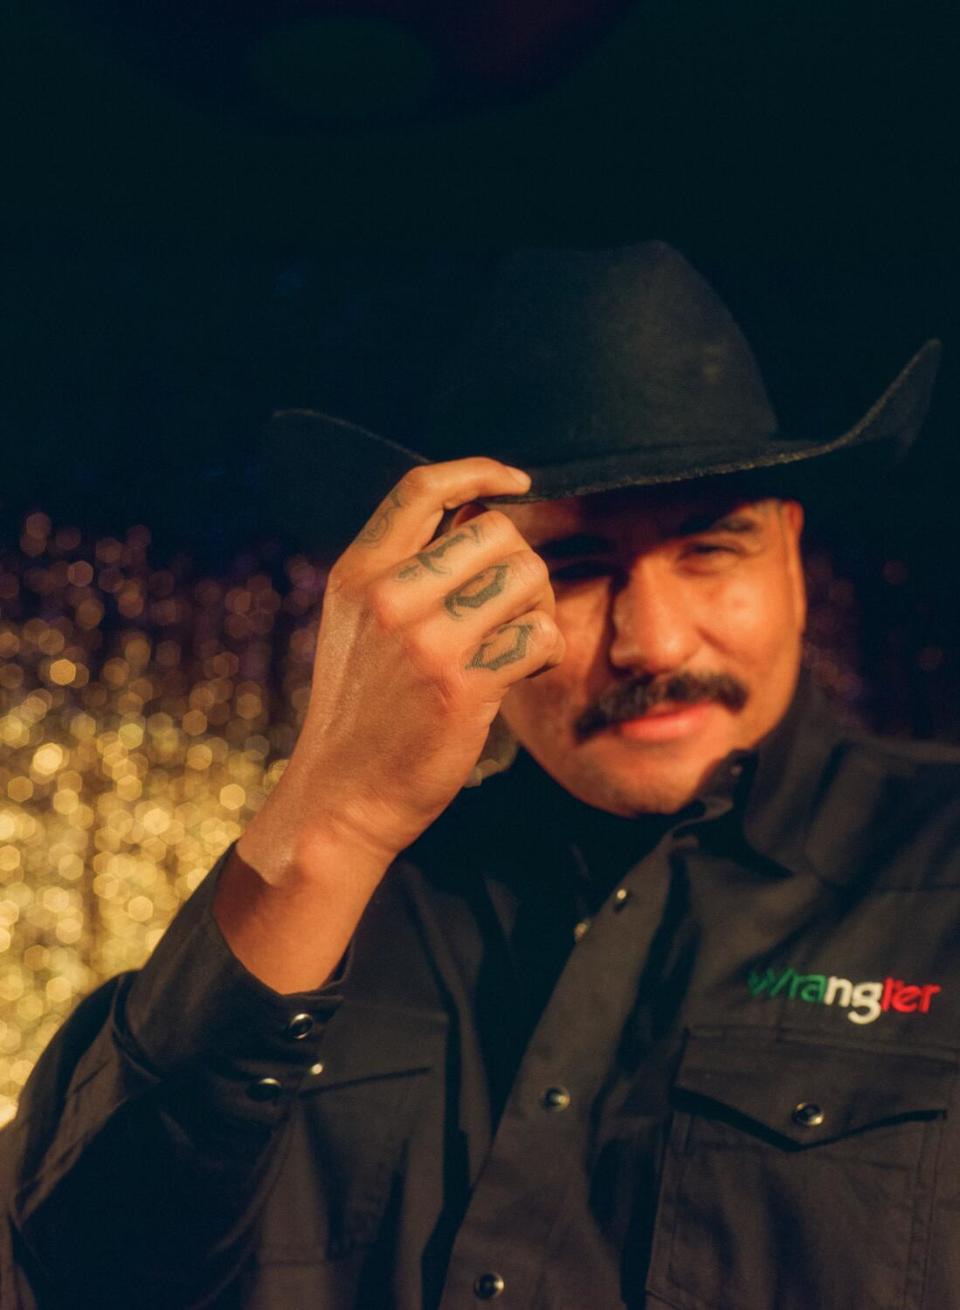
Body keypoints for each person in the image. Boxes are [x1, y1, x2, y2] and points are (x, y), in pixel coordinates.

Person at [1, 243, 956, 1310]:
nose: (651, 639)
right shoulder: (338, 900)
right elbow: (67, 1271)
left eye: (710, 547)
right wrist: (331, 819)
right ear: (455, 591)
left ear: (788, 546)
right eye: (578, 567)